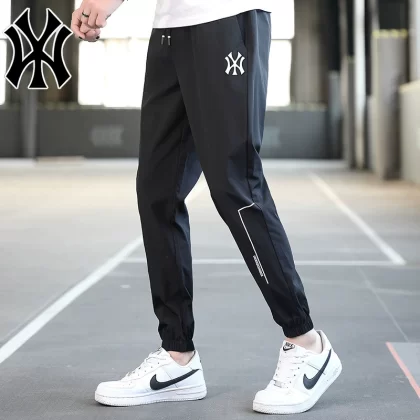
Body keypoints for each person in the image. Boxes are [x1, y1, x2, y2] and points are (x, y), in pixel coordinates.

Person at [71, 0, 342, 414]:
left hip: (227, 16)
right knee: (157, 191)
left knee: (236, 186)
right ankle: (178, 355)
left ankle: (307, 344)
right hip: (171, 25)